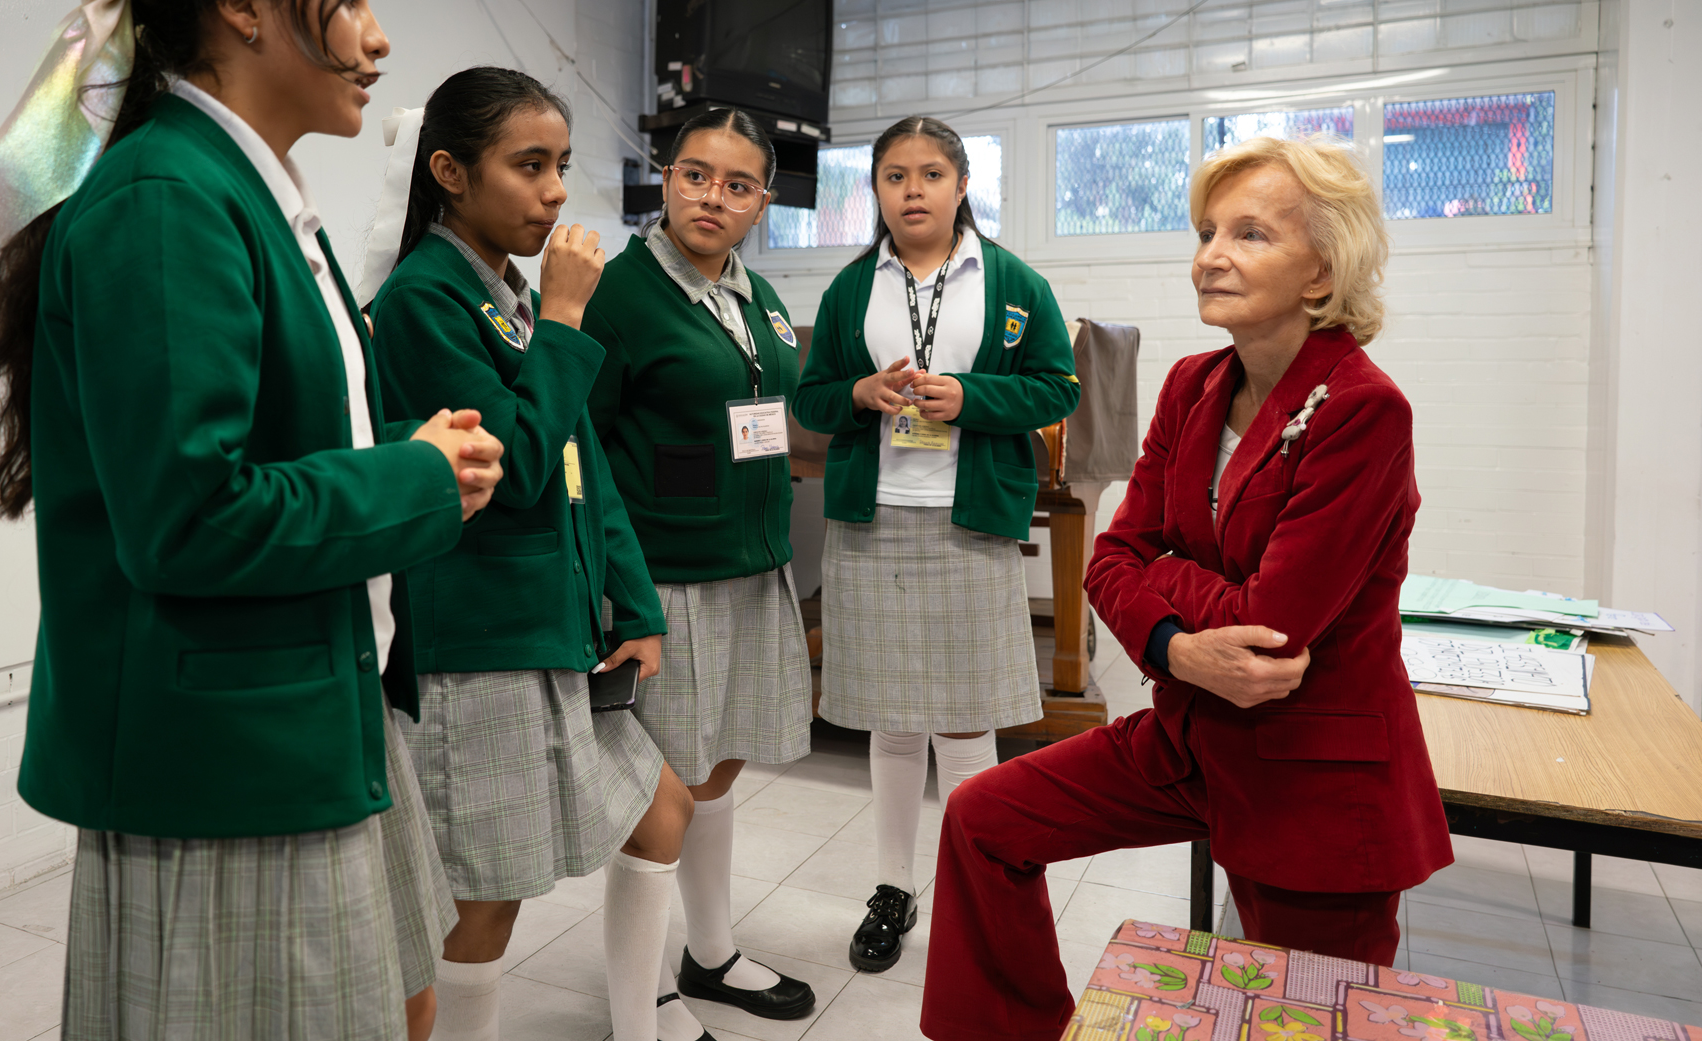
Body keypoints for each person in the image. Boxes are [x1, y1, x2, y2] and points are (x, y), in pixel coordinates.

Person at [0, 0, 504, 1041]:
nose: (378, 36)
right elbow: (190, 515)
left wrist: (400, 447)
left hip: (311, 704)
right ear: (242, 4)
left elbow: (276, 441)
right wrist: (418, 479)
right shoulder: (168, 200)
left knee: (402, 1001)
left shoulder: (244, 192)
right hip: (226, 750)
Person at [919, 136, 1452, 1041]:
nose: (1210, 254)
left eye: (1250, 234)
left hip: (1313, 775)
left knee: (1311, 1019)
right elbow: (1111, 560)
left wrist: (1165, 584)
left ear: (1321, 272)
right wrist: (1173, 642)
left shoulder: (1364, 408)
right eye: (1208, 230)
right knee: (984, 818)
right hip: (1192, 730)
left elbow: (1272, 632)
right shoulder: (1194, 383)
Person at [363, 67, 696, 1041]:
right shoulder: (424, 300)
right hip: (480, 644)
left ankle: (645, 1018)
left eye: (560, 165)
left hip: (556, 627)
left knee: (662, 807)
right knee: (482, 902)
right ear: (450, 173)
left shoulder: (504, 290)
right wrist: (564, 319)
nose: (556, 190)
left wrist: (633, 606)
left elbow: (581, 460)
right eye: (529, 165)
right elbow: (509, 476)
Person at [793, 116, 1080, 974]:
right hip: (872, 518)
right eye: (892, 176)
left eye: (928, 173)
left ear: (962, 185)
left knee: (962, 721)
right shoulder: (853, 288)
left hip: (969, 523)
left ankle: (972, 885)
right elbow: (810, 403)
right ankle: (892, 887)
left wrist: (972, 397)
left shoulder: (1014, 281)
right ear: (875, 190)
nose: (910, 190)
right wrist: (859, 390)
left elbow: (1058, 383)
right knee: (890, 718)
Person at [582, 107, 818, 1038]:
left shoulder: (753, 294)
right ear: (666, 178)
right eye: (692, 174)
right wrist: (612, 585)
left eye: (735, 183)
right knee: (659, 795)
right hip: (664, 576)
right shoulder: (618, 294)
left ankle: (710, 951)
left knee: (719, 767)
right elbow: (582, 446)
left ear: (763, 199)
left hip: (752, 563)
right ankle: (642, 1003)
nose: (710, 196)